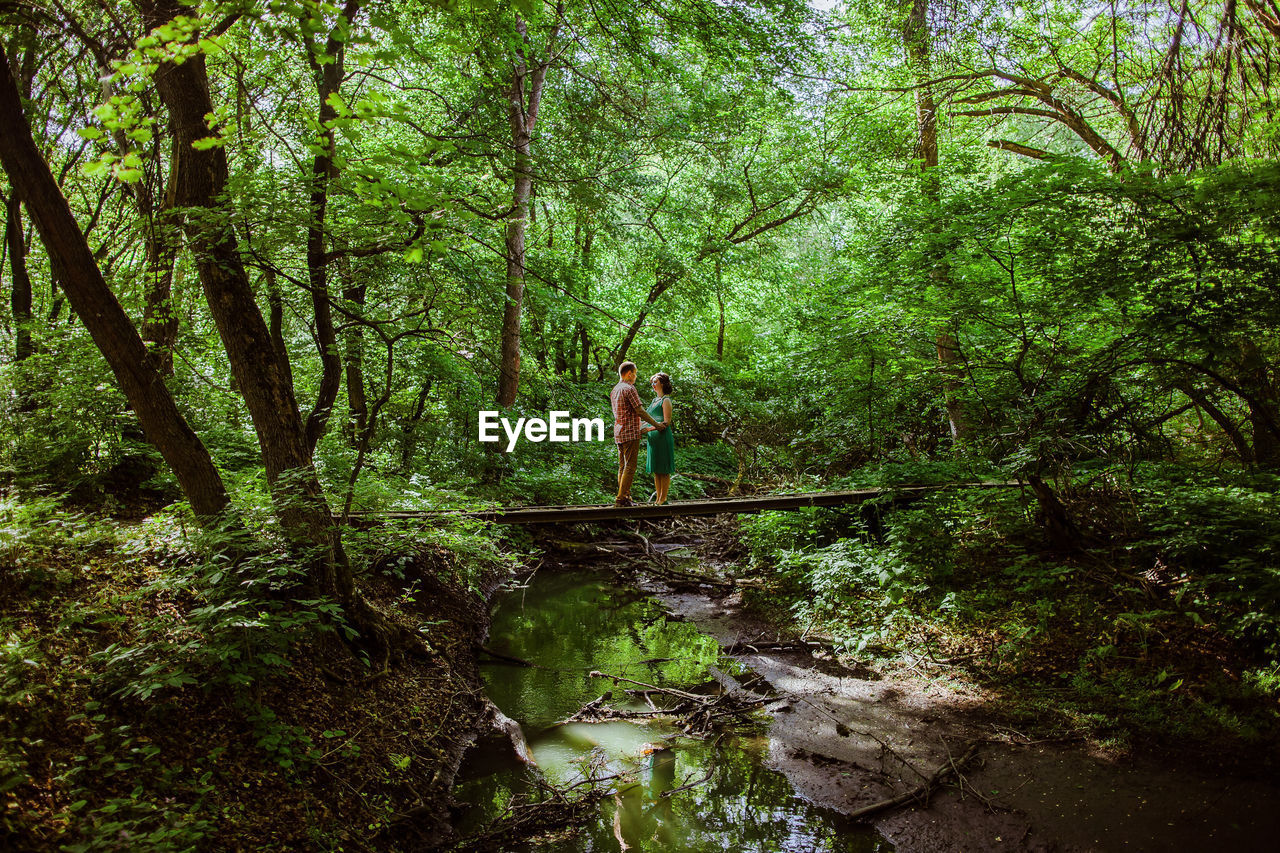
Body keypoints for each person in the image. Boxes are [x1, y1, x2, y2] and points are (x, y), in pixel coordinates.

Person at [610, 362, 665, 507]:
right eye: (635, 373)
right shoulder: (629, 388)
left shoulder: (615, 389)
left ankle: (625, 496)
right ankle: (621, 498)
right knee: (630, 466)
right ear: (629, 373)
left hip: (619, 432)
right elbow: (639, 410)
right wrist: (656, 424)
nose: (635, 376)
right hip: (630, 433)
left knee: (622, 466)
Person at [640, 372, 675, 505]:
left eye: (656, 382)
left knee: (663, 469)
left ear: (663, 383)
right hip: (653, 438)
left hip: (662, 437)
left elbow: (666, 422)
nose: (653, 385)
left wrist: (649, 429)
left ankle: (663, 498)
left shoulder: (666, 400)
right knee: (656, 469)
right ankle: (658, 498)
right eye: (652, 382)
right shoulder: (654, 400)